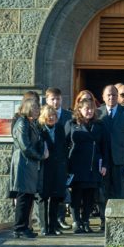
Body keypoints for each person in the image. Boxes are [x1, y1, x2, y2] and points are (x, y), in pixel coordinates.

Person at [66, 98, 109, 233]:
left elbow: (105, 147)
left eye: (91, 109)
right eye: (86, 109)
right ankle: (76, 221)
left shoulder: (100, 125)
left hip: (94, 165)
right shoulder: (71, 123)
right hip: (76, 165)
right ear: (79, 110)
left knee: (90, 196)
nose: (89, 111)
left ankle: (85, 221)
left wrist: (105, 165)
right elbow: (64, 144)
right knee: (76, 195)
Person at [9, 97, 49, 239]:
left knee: (29, 196)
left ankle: (25, 226)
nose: (38, 110)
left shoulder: (31, 124)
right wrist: (40, 156)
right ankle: (19, 228)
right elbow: (25, 146)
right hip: (23, 163)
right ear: (28, 108)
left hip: (29, 164)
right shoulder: (22, 123)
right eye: (36, 108)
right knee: (23, 197)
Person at [97, 85, 124, 200]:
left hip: (121, 158)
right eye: (108, 95)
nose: (111, 97)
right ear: (103, 97)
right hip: (103, 159)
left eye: (114, 95)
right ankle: (104, 217)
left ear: (117, 96)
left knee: (120, 190)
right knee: (104, 190)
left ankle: (119, 217)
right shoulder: (98, 112)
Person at [35, 105, 67, 236]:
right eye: (49, 116)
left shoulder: (60, 128)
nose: (52, 117)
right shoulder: (39, 130)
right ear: (43, 117)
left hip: (58, 168)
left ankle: (53, 227)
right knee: (43, 198)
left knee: (55, 198)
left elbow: (64, 148)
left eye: (53, 115)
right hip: (43, 168)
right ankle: (44, 227)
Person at [45, 87, 74, 231]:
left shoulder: (69, 115)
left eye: (58, 99)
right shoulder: (43, 116)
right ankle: (47, 223)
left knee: (61, 190)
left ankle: (61, 219)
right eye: (52, 99)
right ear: (47, 100)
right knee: (48, 193)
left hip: (64, 158)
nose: (56, 102)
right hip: (48, 161)